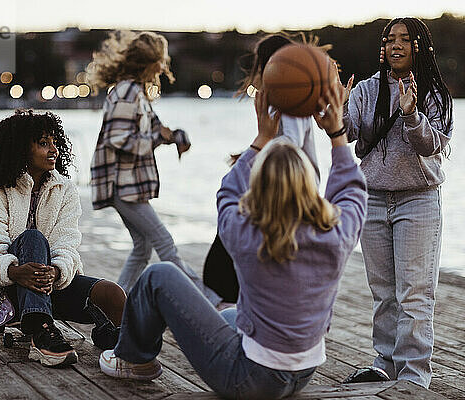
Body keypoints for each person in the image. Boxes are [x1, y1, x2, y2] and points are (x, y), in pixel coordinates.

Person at [98, 80, 367, 400]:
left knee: (159, 275)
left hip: (249, 378)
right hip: (303, 373)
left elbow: (227, 191)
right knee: (228, 315)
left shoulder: (246, 234)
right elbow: (352, 189)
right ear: (309, 185)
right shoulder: (337, 234)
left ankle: (133, 359)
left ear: (260, 185)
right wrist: (337, 135)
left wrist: (262, 137)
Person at [0, 110, 127, 367]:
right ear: (21, 149)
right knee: (33, 239)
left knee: (113, 295)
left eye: (55, 142)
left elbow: (68, 242)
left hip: (50, 286)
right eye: (43, 143)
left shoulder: (65, 190)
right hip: (3, 291)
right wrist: (13, 271)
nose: (54, 149)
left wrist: (57, 270)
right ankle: (41, 334)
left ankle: (113, 339)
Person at [340, 17, 453, 388]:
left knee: (415, 293)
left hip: (418, 201)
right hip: (372, 199)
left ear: (420, 45)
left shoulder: (434, 92)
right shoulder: (368, 89)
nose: (396, 45)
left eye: (405, 39)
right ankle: (384, 363)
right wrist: (336, 110)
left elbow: (430, 145)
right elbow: (347, 133)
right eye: (390, 39)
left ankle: (413, 375)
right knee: (383, 293)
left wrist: (410, 113)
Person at [87, 30, 222, 306]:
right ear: (147, 63)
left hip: (127, 184)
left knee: (142, 247)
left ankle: (110, 304)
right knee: (165, 243)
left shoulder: (136, 93)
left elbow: (159, 131)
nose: (164, 66)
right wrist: (158, 137)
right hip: (122, 185)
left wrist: (177, 137)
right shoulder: (127, 92)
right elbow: (119, 139)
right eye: (160, 60)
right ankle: (210, 302)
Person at [204, 33, 325, 303]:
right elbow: (278, 140)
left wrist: (257, 154)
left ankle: (235, 306)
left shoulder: (290, 100)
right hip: (287, 187)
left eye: (260, 62)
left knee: (228, 253)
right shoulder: (285, 97)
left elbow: (288, 144)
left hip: (288, 190)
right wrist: (251, 152)